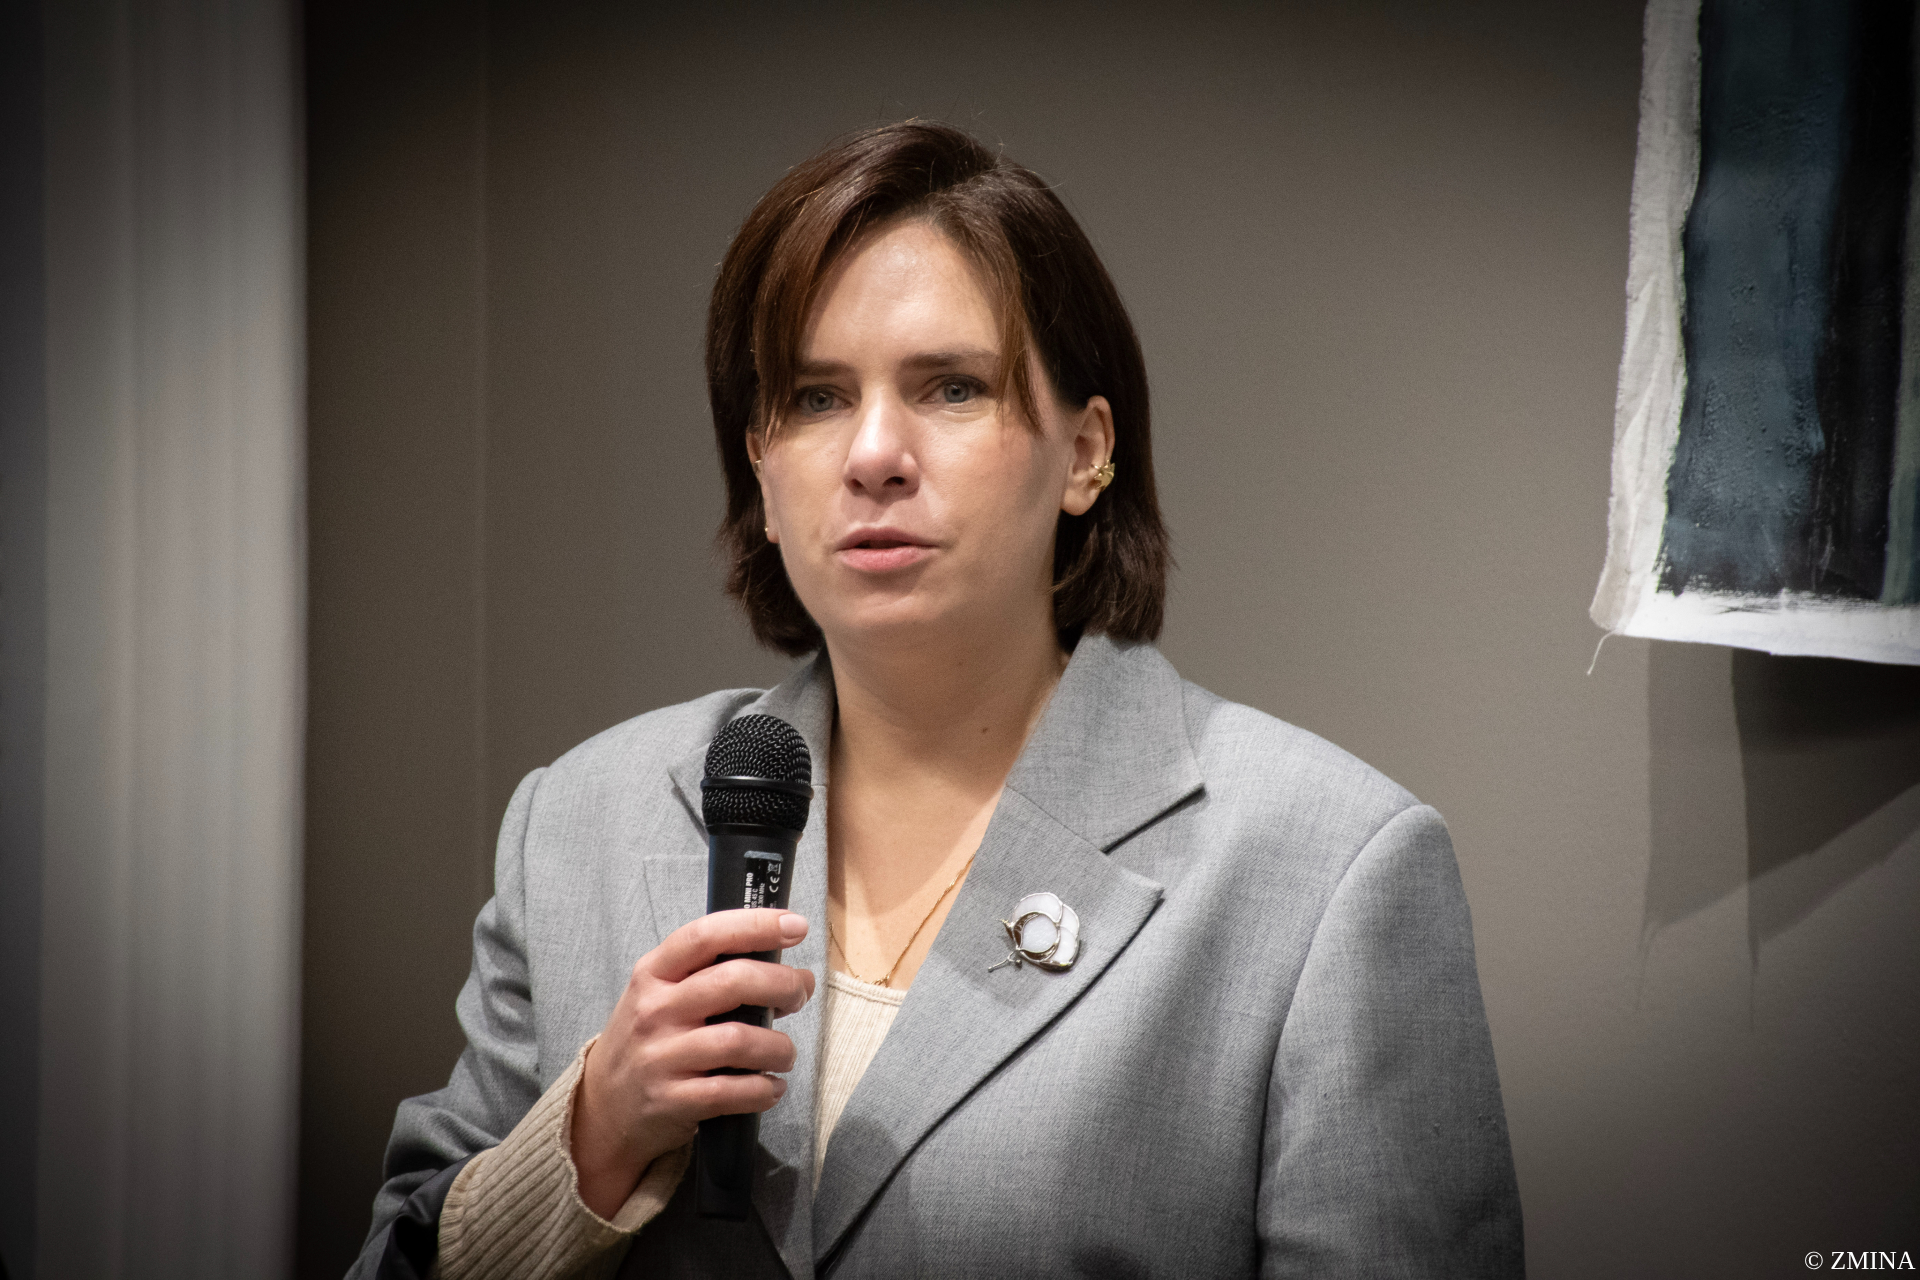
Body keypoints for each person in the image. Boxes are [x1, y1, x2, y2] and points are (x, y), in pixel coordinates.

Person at [348, 120, 1524, 1279]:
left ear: (1086, 453)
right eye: (816, 397)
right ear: (759, 464)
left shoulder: (1329, 867)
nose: (874, 452)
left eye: (952, 387)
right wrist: (592, 1136)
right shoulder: (576, 823)